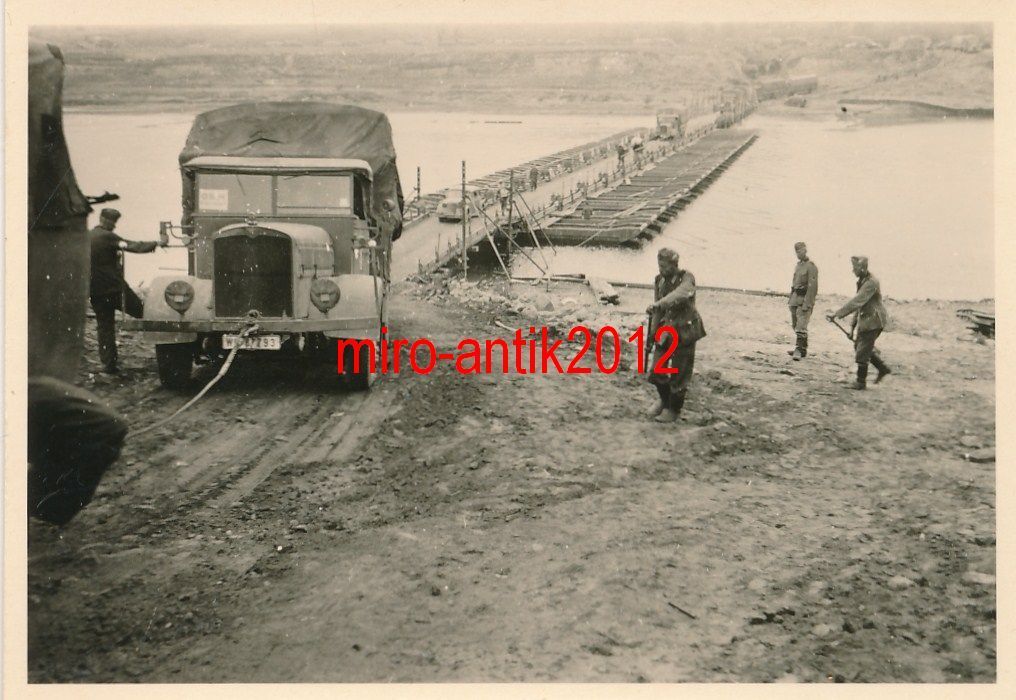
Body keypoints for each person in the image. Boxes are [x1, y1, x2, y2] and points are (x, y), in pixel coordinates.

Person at [89, 208, 162, 374]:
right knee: (145, 313)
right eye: (112, 222)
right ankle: (169, 351)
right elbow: (134, 246)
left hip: (95, 291)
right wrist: (156, 243)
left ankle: (109, 366)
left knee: (104, 327)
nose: (113, 226)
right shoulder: (107, 236)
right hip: (115, 290)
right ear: (105, 220)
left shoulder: (87, 237)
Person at [646, 248, 707, 423]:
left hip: (685, 330)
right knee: (657, 369)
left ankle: (673, 409)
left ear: (674, 265)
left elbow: (680, 294)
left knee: (680, 373)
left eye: (664, 266)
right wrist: (652, 335)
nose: (661, 269)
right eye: (659, 265)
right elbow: (658, 311)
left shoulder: (687, 278)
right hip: (667, 330)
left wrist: (659, 304)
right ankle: (664, 400)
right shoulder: (659, 281)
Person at [826, 255, 892, 390]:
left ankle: (860, 382)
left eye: (854, 268)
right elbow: (860, 305)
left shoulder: (871, 282)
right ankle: (882, 368)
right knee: (860, 347)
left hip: (874, 320)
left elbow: (857, 302)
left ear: (861, 268)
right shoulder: (862, 281)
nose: (852, 271)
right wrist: (852, 327)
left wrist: (837, 314)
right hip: (866, 319)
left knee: (862, 350)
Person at [787, 241, 818, 360]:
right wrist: (790, 300)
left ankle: (798, 350)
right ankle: (803, 348)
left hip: (804, 299)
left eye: (800, 251)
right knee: (795, 325)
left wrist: (808, 303)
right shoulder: (798, 266)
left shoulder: (811, 267)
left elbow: (812, 287)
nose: (798, 253)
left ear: (805, 250)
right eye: (796, 252)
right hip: (795, 299)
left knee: (801, 326)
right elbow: (794, 283)